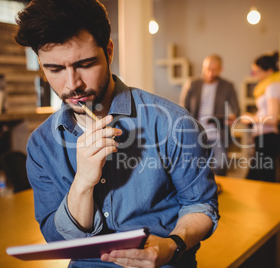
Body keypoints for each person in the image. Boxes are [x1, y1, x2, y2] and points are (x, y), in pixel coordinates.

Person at [15, 0, 219, 267]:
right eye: (55, 69)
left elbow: (200, 206)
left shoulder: (174, 123)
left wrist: (172, 244)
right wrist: (83, 183)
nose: (72, 84)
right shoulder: (41, 145)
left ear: (109, 52)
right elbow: (56, 239)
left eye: (85, 64)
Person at [180, 55, 240, 176]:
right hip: (196, 133)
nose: (210, 73)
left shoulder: (227, 86)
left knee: (220, 166)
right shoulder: (192, 84)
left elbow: (236, 110)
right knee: (195, 167)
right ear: (203, 68)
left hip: (218, 133)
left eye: (214, 70)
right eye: (207, 69)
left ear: (220, 69)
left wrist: (232, 118)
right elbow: (183, 109)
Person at [242, 52, 280, 182]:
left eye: (257, 72)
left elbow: (272, 119)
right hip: (264, 138)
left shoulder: (273, 87)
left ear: (269, 71)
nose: (254, 75)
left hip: (267, 139)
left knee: (262, 180)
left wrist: (251, 118)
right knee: (260, 179)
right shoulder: (270, 85)